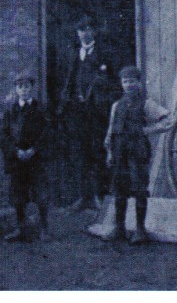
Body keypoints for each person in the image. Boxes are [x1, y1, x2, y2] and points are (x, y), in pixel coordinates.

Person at [102, 66, 173, 244]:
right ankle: (119, 228)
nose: (129, 85)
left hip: (137, 151)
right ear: (121, 84)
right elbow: (110, 131)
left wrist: (147, 130)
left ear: (139, 83)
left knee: (139, 188)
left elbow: (168, 121)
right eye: (125, 82)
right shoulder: (116, 106)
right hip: (119, 152)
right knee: (119, 189)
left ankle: (140, 230)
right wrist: (109, 152)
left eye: (132, 81)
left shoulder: (147, 104)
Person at [58, 16, 121, 211]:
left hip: (98, 111)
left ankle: (99, 195)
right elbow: (68, 80)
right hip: (78, 111)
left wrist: (104, 92)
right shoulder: (73, 54)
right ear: (77, 34)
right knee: (80, 152)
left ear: (93, 31)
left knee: (98, 151)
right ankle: (83, 196)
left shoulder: (105, 53)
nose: (84, 33)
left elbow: (115, 82)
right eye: (81, 30)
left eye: (87, 29)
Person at [0, 73, 51, 243]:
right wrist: (15, 151)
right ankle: (21, 228)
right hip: (17, 160)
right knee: (18, 195)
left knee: (40, 194)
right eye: (20, 87)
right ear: (16, 89)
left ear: (32, 88)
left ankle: (43, 228)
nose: (24, 90)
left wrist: (34, 150)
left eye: (27, 86)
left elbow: (48, 133)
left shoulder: (41, 109)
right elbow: (3, 135)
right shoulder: (10, 111)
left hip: (36, 159)